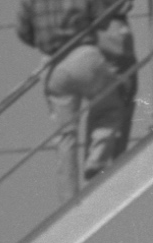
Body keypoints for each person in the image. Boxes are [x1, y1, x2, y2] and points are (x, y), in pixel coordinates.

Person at [44, 15, 138, 197]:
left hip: (53, 65)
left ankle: (67, 197)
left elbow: (25, 31)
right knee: (109, 108)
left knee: (65, 135)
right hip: (85, 57)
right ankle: (97, 159)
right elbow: (115, 41)